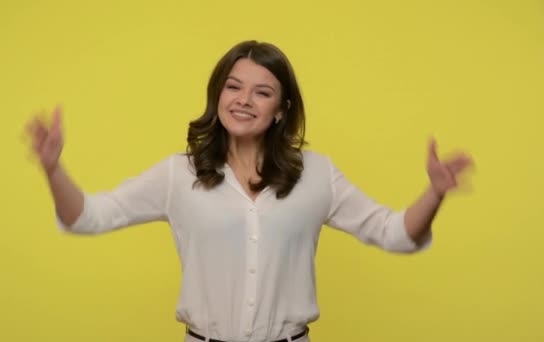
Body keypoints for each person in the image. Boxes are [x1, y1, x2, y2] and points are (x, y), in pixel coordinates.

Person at [26, 40, 472, 342]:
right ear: (217, 94)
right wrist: (53, 168)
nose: (243, 100)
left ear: (280, 111)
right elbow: (88, 217)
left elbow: (394, 233)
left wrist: (434, 193)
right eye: (233, 87)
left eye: (262, 93)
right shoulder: (178, 175)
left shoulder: (316, 174)